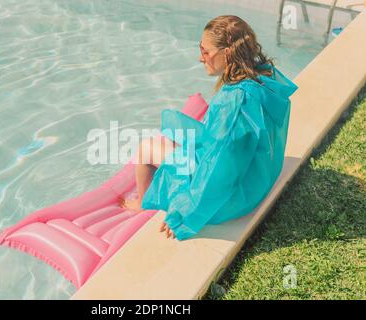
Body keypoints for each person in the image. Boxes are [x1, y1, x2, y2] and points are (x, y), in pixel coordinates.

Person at [120, 15, 298, 240]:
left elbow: (218, 170)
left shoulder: (234, 103)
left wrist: (184, 213)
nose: (200, 57)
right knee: (176, 129)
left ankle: (142, 204)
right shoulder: (265, 77)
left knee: (146, 148)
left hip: (232, 199)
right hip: (258, 179)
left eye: (205, 51)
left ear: (228, 52)